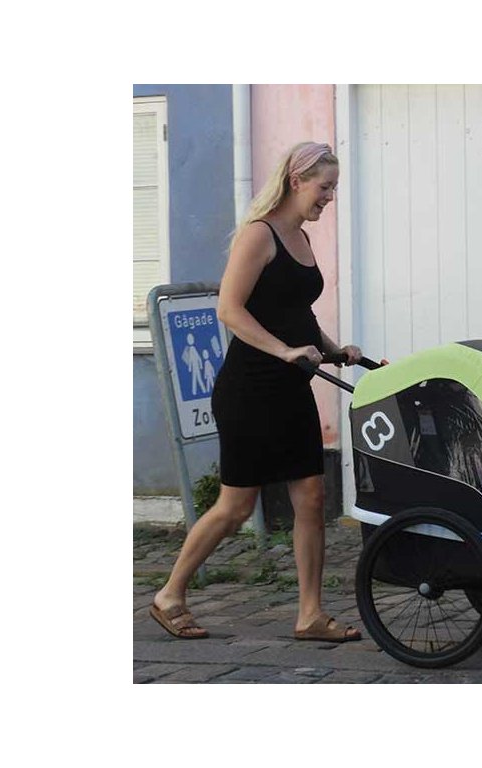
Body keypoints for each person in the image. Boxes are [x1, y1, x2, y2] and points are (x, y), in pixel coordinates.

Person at [150, 141, 364, 642]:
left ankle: (310, 615)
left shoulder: (301, 238)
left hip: (291, 388)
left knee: (311, 497)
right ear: (296, 181)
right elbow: (229, 309)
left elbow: (295, 312)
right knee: (236, 507)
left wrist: (333, 350)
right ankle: (170, 594)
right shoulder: (259, 235)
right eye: (324, 187)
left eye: (333, 188)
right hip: (250, 391)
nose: (329, 197)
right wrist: (284, 350)